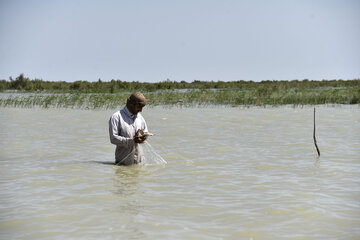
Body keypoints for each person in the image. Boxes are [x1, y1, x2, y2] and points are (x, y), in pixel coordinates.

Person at [109, 92, 149, 165]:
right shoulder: (116, 117)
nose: (141, 110)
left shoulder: (140, 117)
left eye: (142, 107)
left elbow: (145, 132)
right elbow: (113, 139)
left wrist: (143, 136)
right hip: (123, 164)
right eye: (139, 107)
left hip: (139, 163)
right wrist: (132, 141)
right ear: (131, 104)